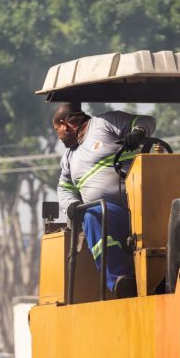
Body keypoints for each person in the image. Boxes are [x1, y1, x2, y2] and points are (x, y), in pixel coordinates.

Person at [53, 102, 156, 299]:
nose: (58, 136)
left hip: (141, 205)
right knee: (92, 215)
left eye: (57, 130)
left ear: (65, 124)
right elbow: (64, 187)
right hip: (106, 213)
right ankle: (121, 280)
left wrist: (137, 133)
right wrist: (72, 205)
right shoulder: (68, 158)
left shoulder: (105, 123)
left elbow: (146, 120)